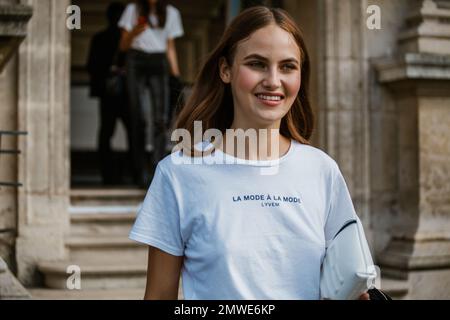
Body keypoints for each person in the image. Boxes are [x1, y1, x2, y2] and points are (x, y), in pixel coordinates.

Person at [129, 7, 370, 300]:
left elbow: (346, 283)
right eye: (257, 64)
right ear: (226, 70)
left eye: (287, 66)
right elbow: (158, 295)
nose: (273, 80)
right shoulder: (178, 173)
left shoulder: (322, 170)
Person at [118, 0, 184, 188]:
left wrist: (176, 75)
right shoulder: (132, 9)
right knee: (138, 118)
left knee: (161, 119)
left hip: (159, 61)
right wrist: (136, 29)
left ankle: (157, 169)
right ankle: (140, 171)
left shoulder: (171, 12)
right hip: (135, 60)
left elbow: (170, 47)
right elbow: (123, 45)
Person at [87, 2, 132, 185]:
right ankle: (125, 173)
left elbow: (91, 66)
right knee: (131, 133)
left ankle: (111, 173)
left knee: (107, 133)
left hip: (112, 93)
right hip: (121, 93)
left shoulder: (101, 38)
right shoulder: (127, 40)